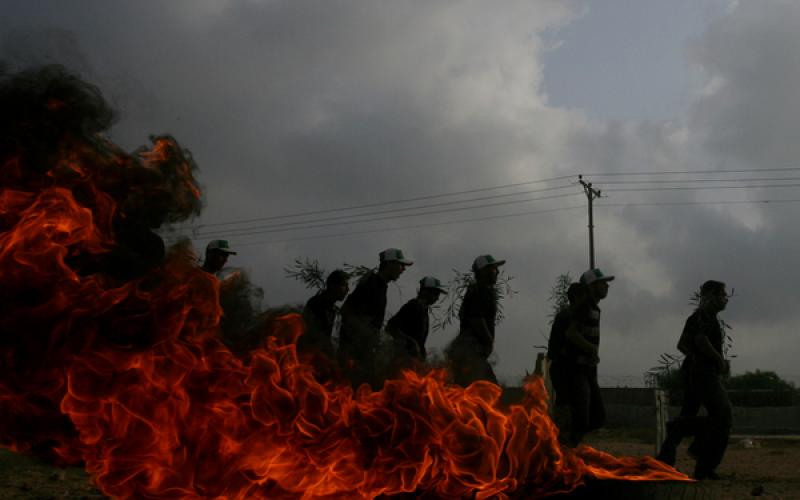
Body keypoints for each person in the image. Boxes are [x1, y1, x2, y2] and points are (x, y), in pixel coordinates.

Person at [656, 280, 732, 480]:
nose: (726, 299)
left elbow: (683, 345)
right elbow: (699, 340)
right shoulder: (704, 316)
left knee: (689, 413)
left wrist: (695, 360)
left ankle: (666, 457)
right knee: (723, 416)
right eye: (723, 295)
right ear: (711, 296)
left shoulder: (698, 317)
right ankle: (704, 464)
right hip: (704, 375)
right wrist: (717, 361)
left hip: (695, 374)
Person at [338, 248, 413, 388]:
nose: (403, 269)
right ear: (389, 264)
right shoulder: (371, 283)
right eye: (400, 265)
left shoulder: (380, 285)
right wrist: (361, 342)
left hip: (363, 352)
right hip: (356, 354)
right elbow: (347, 313)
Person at [560, 268, 613, 446]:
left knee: (597, 417)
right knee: (582, 418)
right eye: (603, 283)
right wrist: (590, 348)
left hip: (588, 370)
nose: (607, 286)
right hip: (577, 370)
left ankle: (569, 443)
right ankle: (565, 447)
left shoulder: (594, 307)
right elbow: (571, 333)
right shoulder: (584, 306)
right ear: (592, 286)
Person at [447, 254, 506, 386]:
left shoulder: (477, 291)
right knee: (489, 389)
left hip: (468, 352)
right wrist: (489, 341)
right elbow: (476, 319)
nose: (497, 272)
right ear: (483, 271)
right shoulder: (481, 291)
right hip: (470, 352)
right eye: (493, 269)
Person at [546, 282, 588, 442]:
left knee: (567, 406)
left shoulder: (564, 316)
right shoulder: (569, 317)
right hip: (566, 369)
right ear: (577, 297)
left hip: (562, 368)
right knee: (568, 408)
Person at [386, 276, 447, 365]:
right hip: (402, 360)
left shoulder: (423, 310)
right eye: (435, 293)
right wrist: (410, 342)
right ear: (425, 291)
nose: (437, 298)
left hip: (414, 361)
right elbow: (390, 327)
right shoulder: (413, 305)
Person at [299, 269, 350, 357]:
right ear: (333, 286)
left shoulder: (336, 312)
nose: (347, 290)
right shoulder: (316, 304)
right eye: (344, 285)